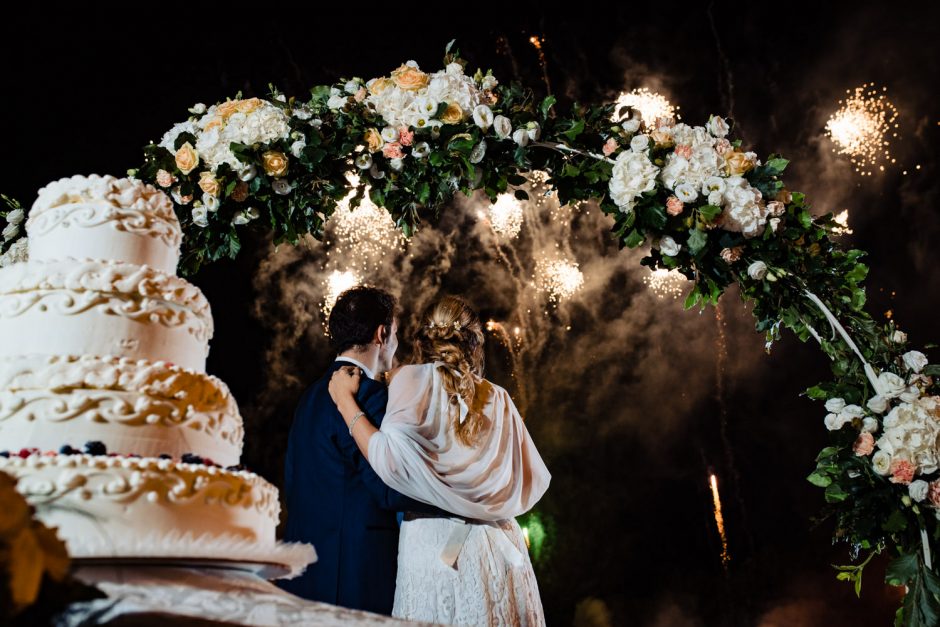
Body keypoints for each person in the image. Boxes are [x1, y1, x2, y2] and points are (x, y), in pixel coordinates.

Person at [328, 295, 551, 626]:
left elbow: (390, 462)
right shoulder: (499, 397)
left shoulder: (407, 380)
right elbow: (529, 483)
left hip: (433, 548)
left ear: (423, 339)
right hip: (496, 549)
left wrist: (346, 403)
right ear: (474, 343)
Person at [279, 286, 442, 614]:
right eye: (395, 333)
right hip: (356, 574)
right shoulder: (372, 397)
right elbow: (390, 486)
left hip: (305, 575)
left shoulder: (308, 398)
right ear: (382, 334)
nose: (396, 343)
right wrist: (454, 496)